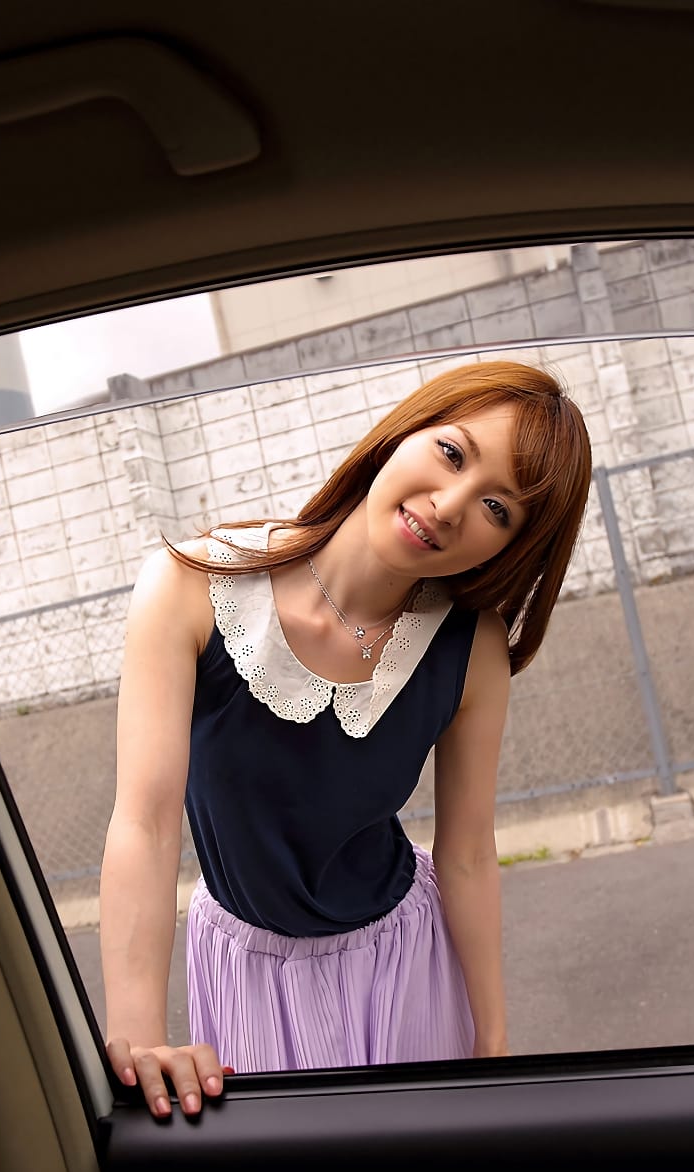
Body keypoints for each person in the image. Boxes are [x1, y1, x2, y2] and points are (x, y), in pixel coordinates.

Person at [99, 360, 592, 1118]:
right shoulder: (193, 585)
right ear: (402, 433)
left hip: (405, 958)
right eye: (451, 453)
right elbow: (146, 820)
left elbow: (466, 851)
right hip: (246, 969)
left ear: (512, 547)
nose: (449, 505)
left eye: (497, 507)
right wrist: (138, 1038)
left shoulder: (472, 647)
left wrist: (491, 1039)